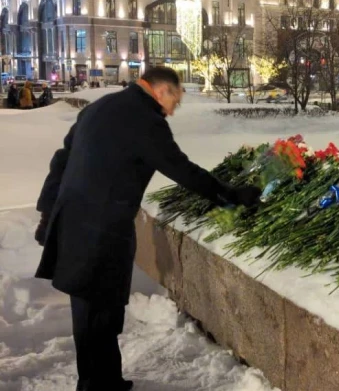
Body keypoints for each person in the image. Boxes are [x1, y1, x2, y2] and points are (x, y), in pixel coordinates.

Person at [33, 67, 261, 391]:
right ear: (162, 90)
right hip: (102, 230)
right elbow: (181, 169)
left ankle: (105, 380)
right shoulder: (145, 120)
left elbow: (61, 160)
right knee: (99, 316)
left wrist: (47, 213)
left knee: (88, 312)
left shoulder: (100, 107)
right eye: (176, 101)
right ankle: (96, 386)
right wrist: (231, 196)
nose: (173, 110)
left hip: (72, 221)